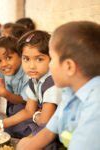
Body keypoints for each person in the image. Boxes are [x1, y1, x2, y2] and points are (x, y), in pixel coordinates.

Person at [17, 21, 100, 150]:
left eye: (53, 58)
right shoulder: (69, 91)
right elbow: (49, 131)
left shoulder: (96, 105)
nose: (50, 65)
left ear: (69, 66)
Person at [0, 31, 61, 137]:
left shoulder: (51, 83)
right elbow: (28, 110)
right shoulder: (34, 79)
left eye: (39, 59)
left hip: (58, 133)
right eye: (26, 59)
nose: (31, 66)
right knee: (7, 128)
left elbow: (43, 122)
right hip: (45, 126)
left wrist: (35, 114)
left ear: (52, 58)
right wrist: (0, 124)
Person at [0, 36, 31, 138]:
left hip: (28, 107)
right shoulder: (7, 71)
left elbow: (23, 101)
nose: (3, 64)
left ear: (21, 56)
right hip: (16, 106)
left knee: (16, 112)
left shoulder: (27, 74)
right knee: (7, 108)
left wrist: (5, 93)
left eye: (8, 58)